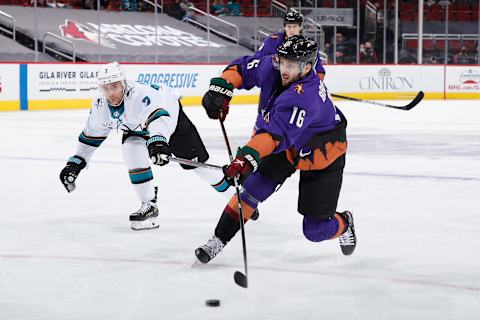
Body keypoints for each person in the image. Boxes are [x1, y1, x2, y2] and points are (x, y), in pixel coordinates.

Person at [195, 35, 357, 264]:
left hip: (322, 154)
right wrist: (223, 86)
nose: (284, 69)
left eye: (291, 65)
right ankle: (218, 240)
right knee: (250, 192)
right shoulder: (274, 65)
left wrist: (247, 157)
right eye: (283, 62)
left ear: (308, 67)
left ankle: (345, 223)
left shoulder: (305, 97)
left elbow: (274, 134)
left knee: (315, 230)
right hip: (287, 147)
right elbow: (242, 68)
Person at [59, 62, 233, 231]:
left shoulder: (139, 95)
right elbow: (91, 135)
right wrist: (76, 162)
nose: (110, 93)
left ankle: (234, 198)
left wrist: (158, 141)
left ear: (123, 83)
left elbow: (158, 118)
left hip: (171, 119)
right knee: (131, 149)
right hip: (138, 128)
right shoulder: (99, 104)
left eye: (114, 86)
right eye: (105, 88)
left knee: (198, 166)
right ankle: (149, 204)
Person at [254, 10, 326, 81]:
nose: (292, 30)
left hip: (298, 87)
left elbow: (319, 71)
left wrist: (314, 87)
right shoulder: (272, 41)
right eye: (289, 26)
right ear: (284, 27)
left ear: (300, 27)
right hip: (274, 84)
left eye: (295, 26)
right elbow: (257, 60)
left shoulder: (309, 46)